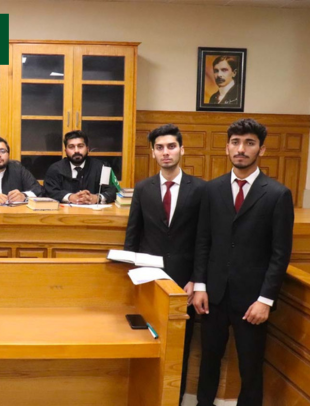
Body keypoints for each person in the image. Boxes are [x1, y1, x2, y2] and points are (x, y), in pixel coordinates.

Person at [192, 118, 294, 406]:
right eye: (235, 142)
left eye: (249, 143)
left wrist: (265, 300)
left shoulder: (277, 194)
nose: (241, 149)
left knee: (250, 367)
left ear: (261, 149)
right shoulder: (211, 190)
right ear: (227, 147)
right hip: (213, 295)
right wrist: (200, 285)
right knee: (208, 360)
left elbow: (280, 253)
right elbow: (203, 241)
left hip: (253, 300)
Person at [124, 124, 206, 404]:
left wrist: (197, 279)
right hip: (149, 279)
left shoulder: (200, 189)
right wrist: (131, 276)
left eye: (171, 146)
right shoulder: (142, 188)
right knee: (147, 339)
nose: (165, 152)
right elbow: (133, 235)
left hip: (185, 282)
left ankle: (175, 399)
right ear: (153, 153)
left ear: (182, 149)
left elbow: (203, 239)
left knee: (180, 345)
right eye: (159, 148)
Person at [43, 130, 117, 204]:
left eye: (80, 146)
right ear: (65, 151)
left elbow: (112, 191)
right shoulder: (55, 169)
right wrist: (70, 197)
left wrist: (97, 198)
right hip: (66, 211)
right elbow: (50, 191)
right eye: (71, 147)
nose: (76, 151)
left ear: (87, 149)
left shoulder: (102, 167)